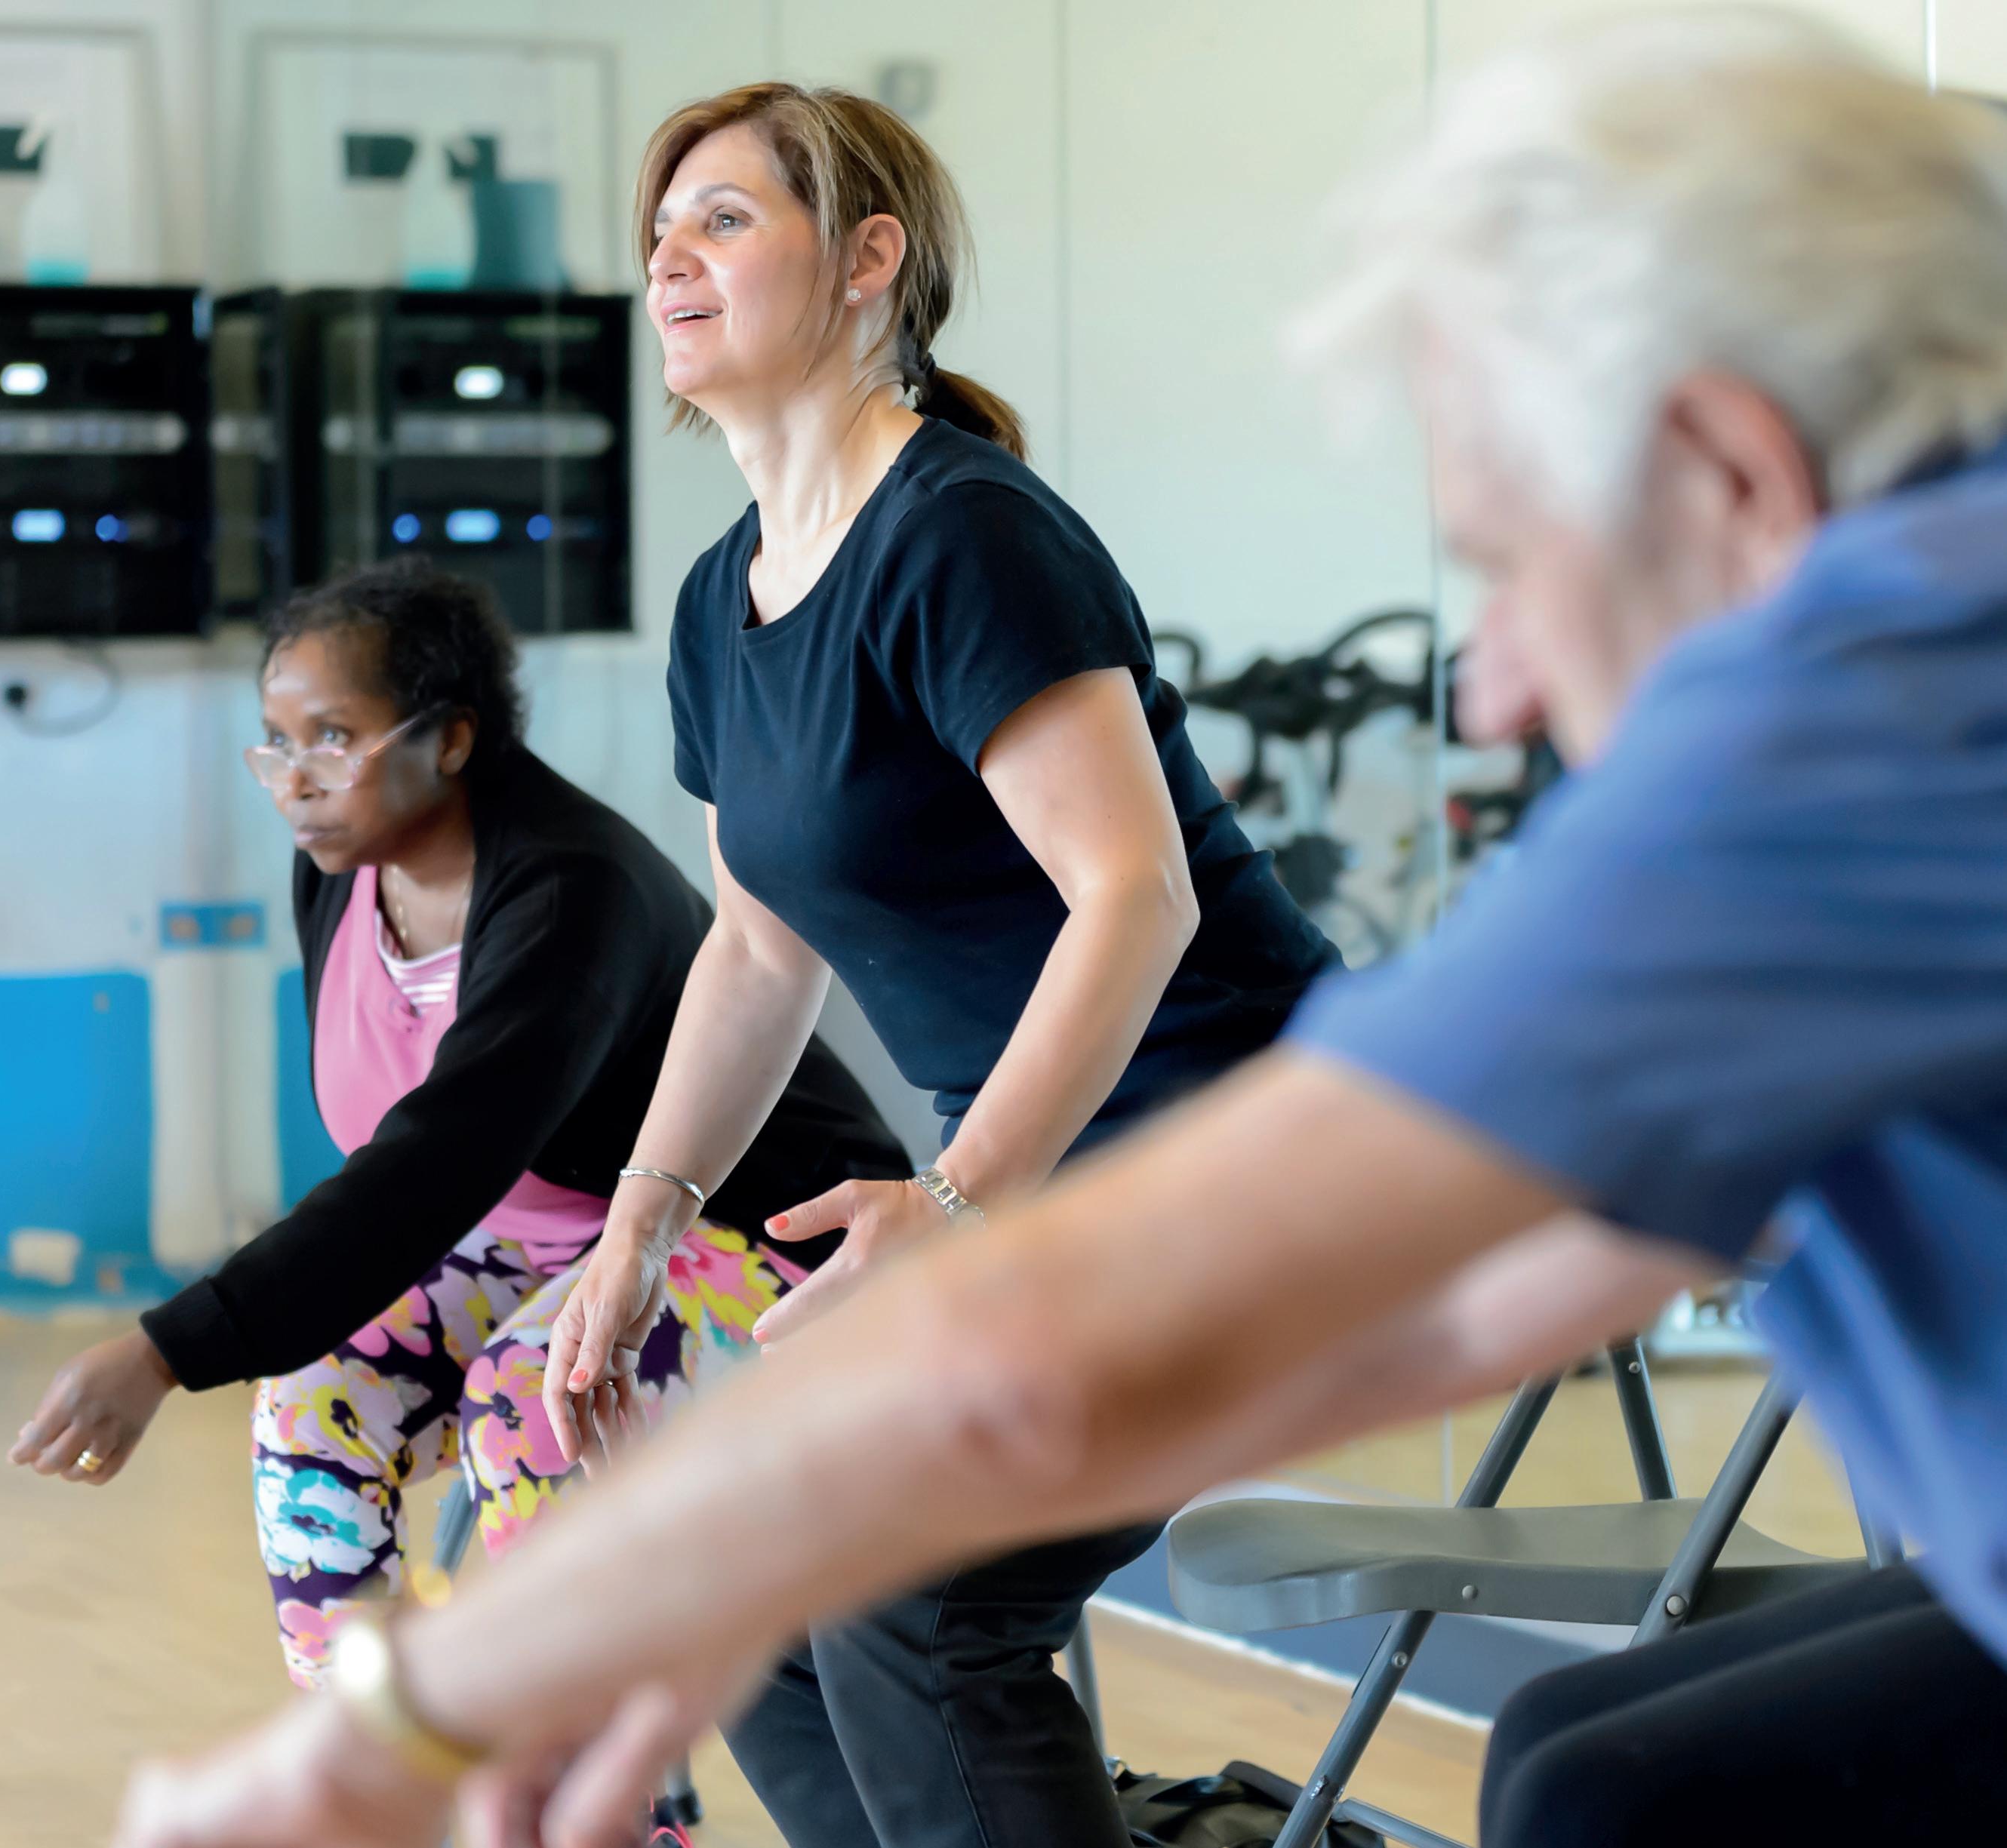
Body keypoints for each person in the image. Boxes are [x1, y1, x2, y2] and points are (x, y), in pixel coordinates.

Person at [110, 15, 2007, 1848]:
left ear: (1733, 470)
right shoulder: (1916, 671)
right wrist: (712, 1371)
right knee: (1595, 1771)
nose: (1493, 685)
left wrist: (426, 1709)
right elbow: (1478, 1290)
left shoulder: (1876, 731)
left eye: (1512, 563)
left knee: (955, 1617)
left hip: (1169, 1110)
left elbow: (1111, 1228)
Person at [520, 81, 1338, 1848]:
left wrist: (958, 1197)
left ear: (866, 259)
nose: (669, 259)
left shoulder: (964, 532)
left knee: (915, 1598)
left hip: (1238, 1145)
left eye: (723, 219)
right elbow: (757, 947)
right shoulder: (723, 599)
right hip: (1044, 1184)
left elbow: (1136, 895)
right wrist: (642, 1221)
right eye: (658, 232)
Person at [11, 560, 906, 1686]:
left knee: (536, 1400)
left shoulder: (573, 889)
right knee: (313, 1400)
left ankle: (583, 1777)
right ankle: (369, 1758)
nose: (294, 781)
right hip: (541, 1249)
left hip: (765, 1246)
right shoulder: (341, 869)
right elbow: (406, 1173)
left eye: (333, 738)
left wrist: (166, 1349)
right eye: (276, 743)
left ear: (450, 739)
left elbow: (432, 1164)